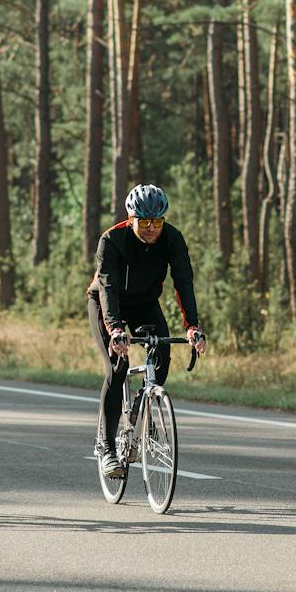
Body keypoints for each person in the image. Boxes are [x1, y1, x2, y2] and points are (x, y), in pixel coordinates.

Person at [88, 184, 207, 478]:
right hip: (106, 304)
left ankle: (141, 405)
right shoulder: (111, 240)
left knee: (162, 354)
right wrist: (115, 329)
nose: (152, 228)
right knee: (118, 366)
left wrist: (192, 326)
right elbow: (108, 288)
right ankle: (106, 448)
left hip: (144, 303)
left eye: (157, 221)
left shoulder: (173, 238)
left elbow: (184, 282)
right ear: (131, 219)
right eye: (145, 222)